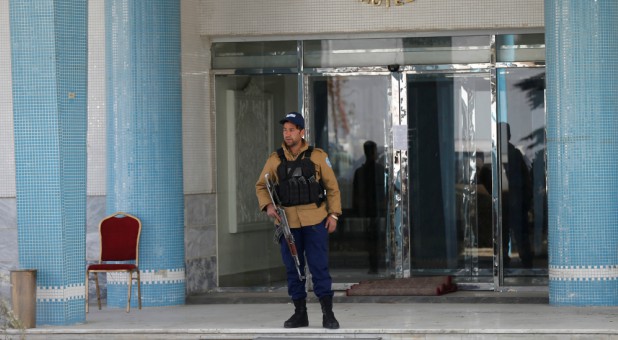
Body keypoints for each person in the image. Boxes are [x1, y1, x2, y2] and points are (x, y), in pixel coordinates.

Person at [255, 112, 342, 329]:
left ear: (302, 132)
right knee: (294, 269)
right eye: (285, 130)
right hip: (288, 224)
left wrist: (333, 215)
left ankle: (327, 313)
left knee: (319, 267)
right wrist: (267, 205)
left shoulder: (317, 156)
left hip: (315, 220)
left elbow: (332, 188)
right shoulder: (275, 159)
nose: (287, 134)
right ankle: (299, 313)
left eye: (292, 130)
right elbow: (261, 186)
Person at [352, 140, 386, 274]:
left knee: (371, 239)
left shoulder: (361, 171)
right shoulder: (378, 170)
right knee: (374, 240)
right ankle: (374, 265)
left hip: (368, 210)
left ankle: (374, 266)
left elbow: (356, 194)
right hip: (374, 210)